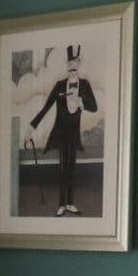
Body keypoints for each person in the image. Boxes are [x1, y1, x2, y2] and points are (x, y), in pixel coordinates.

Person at [24, 45, 99, 216]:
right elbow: (45, 108)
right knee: (62, 167)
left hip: (73, 133)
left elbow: (94, 107)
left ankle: (70, 203)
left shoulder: (85, 85)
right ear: (67, 65)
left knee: (71, 167)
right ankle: (61, 204)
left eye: (75, 64)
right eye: (70, 65)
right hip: (60, 132)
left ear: (79, 64)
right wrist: (31, 128)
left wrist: (81, 102)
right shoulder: (59, 86)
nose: (72, 69)